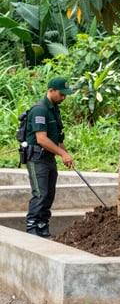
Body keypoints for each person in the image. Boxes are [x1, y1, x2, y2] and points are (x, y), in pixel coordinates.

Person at [25, 76, 76, 237]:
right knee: (40, 193)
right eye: (61, 94)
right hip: (37, 158)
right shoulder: (39, 110)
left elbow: (58, 137)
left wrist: (65, 154)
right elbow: (41, 139)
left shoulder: (54, 109)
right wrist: (62, 153)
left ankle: (43, 226)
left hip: (49, 158)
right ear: (51, 91)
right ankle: (32, 228)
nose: (64, 98)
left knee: (49, 194)